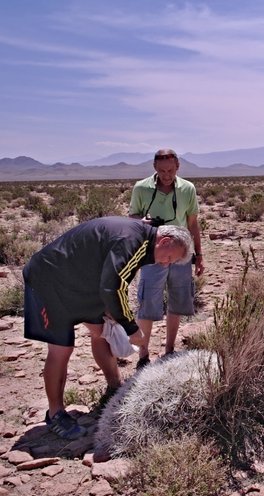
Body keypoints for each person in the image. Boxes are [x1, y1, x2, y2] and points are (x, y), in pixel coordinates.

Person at [23, 217, 194, 440]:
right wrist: (132, 329)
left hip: (79, 284)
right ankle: (55, 413)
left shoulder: (142, 239)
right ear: (165, 240)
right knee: (61, 349)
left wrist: (113, 315)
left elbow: (112, 280)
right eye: (170, 257)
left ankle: (115, 386)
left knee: (101, 332)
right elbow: (113, 286)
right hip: (50, 281)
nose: (166, 264)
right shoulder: (134, 241)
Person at [129, 149, 204, 369]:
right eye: (162, 170)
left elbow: (192, 224)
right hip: (153, 252)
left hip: (181, 253)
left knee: (178, 300)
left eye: (170, 170)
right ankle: (143, 353)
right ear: (154, 167)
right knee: (148, 301)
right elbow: (132, 217)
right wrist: (141, 221)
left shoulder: (187, 189)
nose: (166, 175)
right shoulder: (141, 188)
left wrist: (198, 255)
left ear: (178, 166)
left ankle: (169, 350)